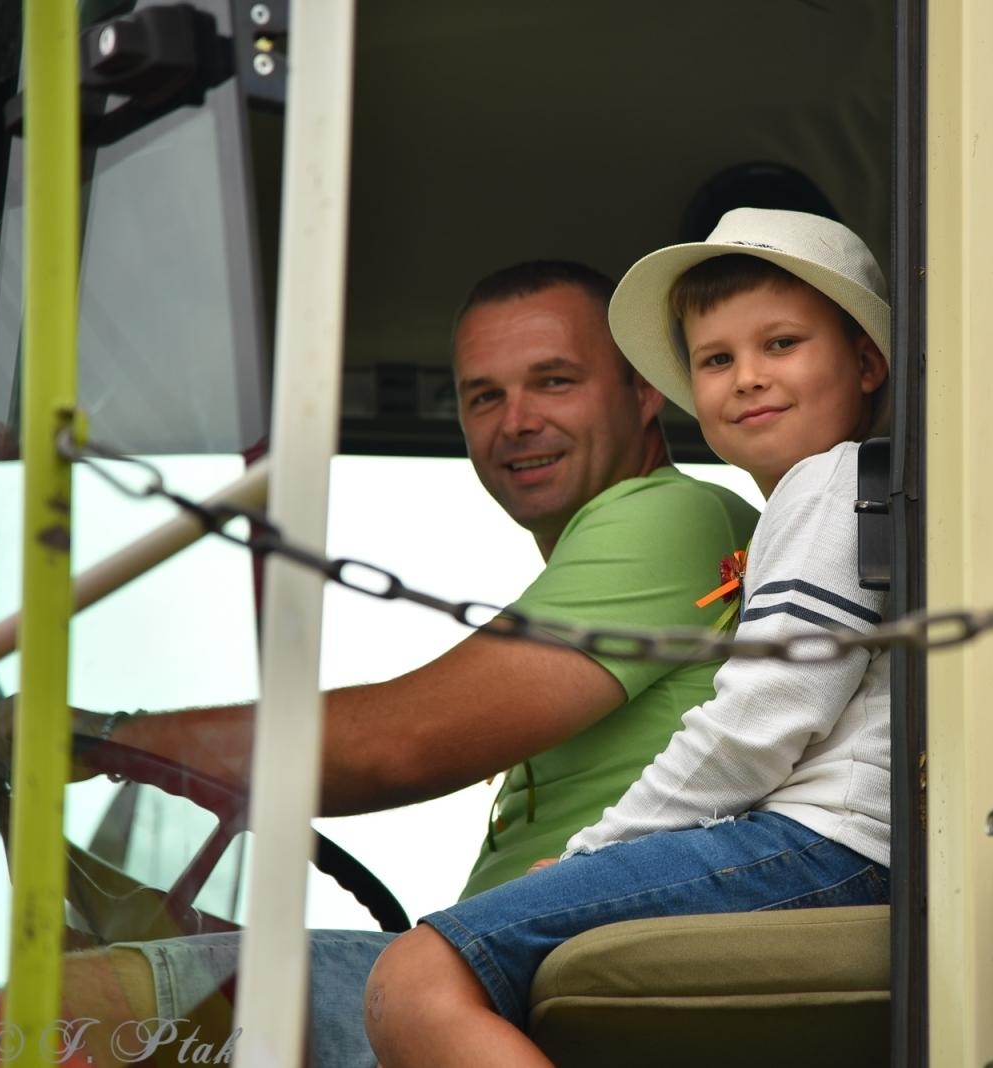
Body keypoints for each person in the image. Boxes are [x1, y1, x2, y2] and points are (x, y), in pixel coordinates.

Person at [0, 260, 759, 1067]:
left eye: (554, 382)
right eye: (484, 396)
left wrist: (101, 739)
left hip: (555, 990)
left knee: (71, 1012)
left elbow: (400, 742)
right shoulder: (617, 554)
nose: (516, 420)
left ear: (644, 392)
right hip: (501, 979)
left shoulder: (672, 515)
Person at [362, 207, 893, 1067]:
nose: (747, 378)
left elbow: (762, 720)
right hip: (829, 842)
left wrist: (590, 857)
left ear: (866, 361)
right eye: (717, 359)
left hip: (825, 843)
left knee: (418, 979)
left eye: (781, 344)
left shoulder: (830, 487)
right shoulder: (829, 500)